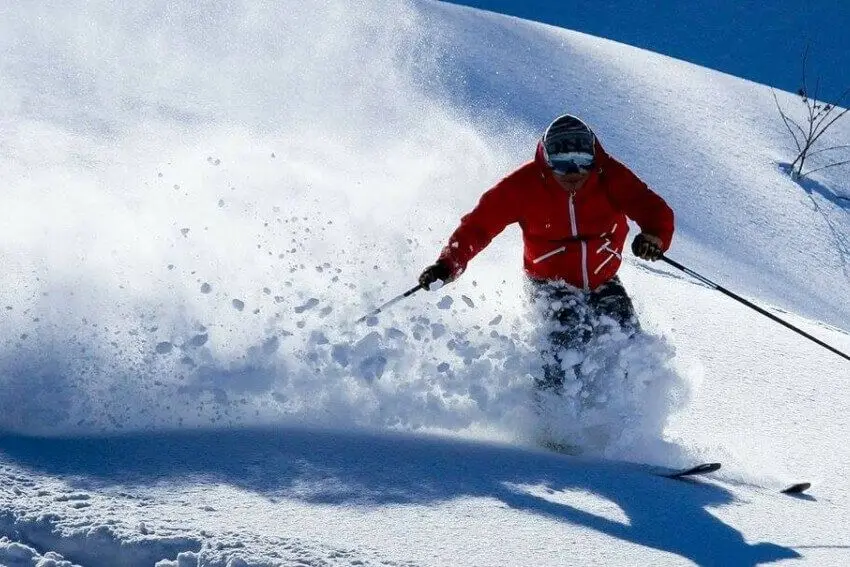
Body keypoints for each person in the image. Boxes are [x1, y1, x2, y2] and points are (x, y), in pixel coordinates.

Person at [418, 114, 674, 393]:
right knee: (568, 334)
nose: (574, 173)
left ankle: (625, 413)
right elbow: (479, 226)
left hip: (604, 279)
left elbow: (653, 209)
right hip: (549, 282)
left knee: (624, 337)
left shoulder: (609, 175)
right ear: (548, 162)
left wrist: (653, 238)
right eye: (563, 166)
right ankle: (551, 416)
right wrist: (448, 264)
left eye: (583, 162)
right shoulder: (524, 185)